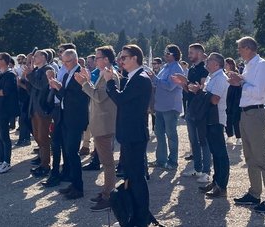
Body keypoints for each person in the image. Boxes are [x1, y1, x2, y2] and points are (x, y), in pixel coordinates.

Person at [228, 36, 265, 213]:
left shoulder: (262, 65)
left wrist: (240, 81)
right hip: (246, 113)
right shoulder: (249, 65)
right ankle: (254, 193)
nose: (239, 52)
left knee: (261, 158)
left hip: (255, 112)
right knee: (250, 157)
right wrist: (239, 80)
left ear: (249, 48)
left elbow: (259, 92)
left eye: (240, 48)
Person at [105, 44, 153, 226]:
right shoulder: (133, 77)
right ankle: (135, 213)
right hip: (129, 133)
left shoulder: (141, 78)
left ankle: (141, 218)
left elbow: (121, 99)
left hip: (134, 134)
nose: (120, 61)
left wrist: (110, 82)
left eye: (124, 57)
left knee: (136, 177)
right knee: (132, 176)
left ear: (135, 58)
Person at [76, 45, 118, 211]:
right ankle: (106, 191)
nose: (94, 59)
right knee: (106, 162)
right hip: (101, 122)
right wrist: (89, 81)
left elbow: (99, 97)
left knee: (107, 163)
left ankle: (109, 196)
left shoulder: (110, 75)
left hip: (104, 124)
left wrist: (85, 83)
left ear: (106, 59)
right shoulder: (104, 73)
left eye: (97, 57)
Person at [48, 49, 89, 200]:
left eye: (68, 61)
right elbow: (63, 96)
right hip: (65, 116)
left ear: (76, 60)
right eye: (63, 62)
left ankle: (79, 187)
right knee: (68, 151)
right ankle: (73, 183)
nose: (65, 64)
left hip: (75, 118)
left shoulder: (81, 73)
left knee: (73, 152)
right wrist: (57, 88)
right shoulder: (66, 74)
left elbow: (81, 97)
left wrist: (60, 88)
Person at [171, 43, 211, 184]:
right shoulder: (192, 69)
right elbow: (190, 90)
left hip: (201, 110)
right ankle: (197, 168)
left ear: (199, 53)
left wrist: (185, 82)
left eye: (191, 52)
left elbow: (201, 89)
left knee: (203, 141)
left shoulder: (205, 70)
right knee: (193, 140)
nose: (189, 55)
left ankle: (206, 171)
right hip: (191, 108)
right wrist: (182, 84)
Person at [197, 53, 230, 199]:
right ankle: (216, 182)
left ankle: (221, 186)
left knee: (220, 154)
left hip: (216, 119)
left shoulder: (221, 78)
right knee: (215, 153)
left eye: (209, 60)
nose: (206, 62)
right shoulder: (212, 76)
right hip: (210, 118)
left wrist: (199, 91)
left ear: (217, 64)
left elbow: (215, 99)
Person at [151, 44, 184, 170]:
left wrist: (156, 79)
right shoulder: (165, 67)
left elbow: (170, 86)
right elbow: (158, 82)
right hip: (160, 106)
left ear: (173, 55)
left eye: (167, 53)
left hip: (170, 107)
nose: (165, 55)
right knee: (159, 133)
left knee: (171, 135)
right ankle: (161, 160)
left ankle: (173, 161)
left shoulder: (177, 69)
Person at [23, 49, 53, 178]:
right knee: (37, 136)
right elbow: (31, 89)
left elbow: (41, 86)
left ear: (44, 57)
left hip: (43, 108)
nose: (33, 58)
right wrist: (26, 78)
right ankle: (42, 161)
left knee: (43, 137)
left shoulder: (48, 69)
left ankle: (45, 165)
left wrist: (29, 75)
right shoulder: (36, 70)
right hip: (34, 108)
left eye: (36, 56)